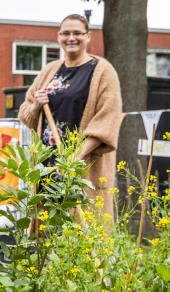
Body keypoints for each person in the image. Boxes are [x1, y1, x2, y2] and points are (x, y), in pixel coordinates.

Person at [18, 13, 123, 218]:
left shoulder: (102, 71)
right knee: (48, 227)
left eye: (77, 33)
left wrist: (74, 156)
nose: (71, 38)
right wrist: (37, 106)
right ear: (58, 37)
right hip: (48, 165)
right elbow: (26, 114)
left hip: (81, 163)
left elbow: (107, 119)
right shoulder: (50, 71)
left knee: (84, 223)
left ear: (88, 36)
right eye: (66, 33)